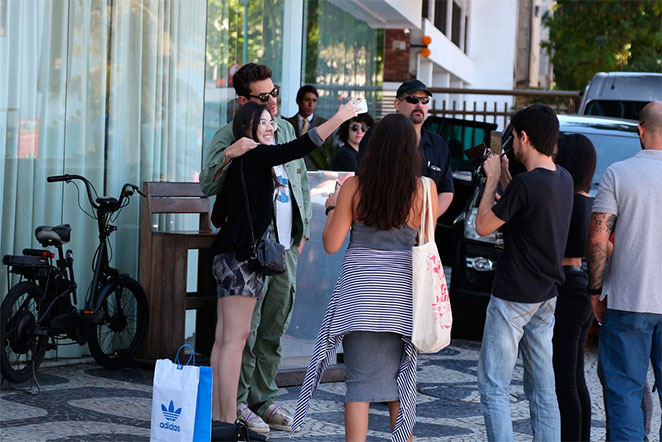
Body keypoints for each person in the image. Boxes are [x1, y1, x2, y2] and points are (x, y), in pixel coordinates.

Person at [207, 100, 358, 432]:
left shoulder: (240, 162)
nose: (270, 127)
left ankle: (221, 415)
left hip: (227, 258)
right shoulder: (257, 157)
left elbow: (218, 215)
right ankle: (226, 416)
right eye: (262, 123)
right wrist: (341, 117)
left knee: (225, 339)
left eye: (271, 123)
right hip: (242, 260)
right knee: (235, 339)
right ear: (246, 128)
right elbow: (304, 144)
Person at [291, 114, 437, 442]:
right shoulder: (425, 190)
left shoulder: (354, 187)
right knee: (403, 382)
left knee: (358, 384)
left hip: (359, 296)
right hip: (403, 297)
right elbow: (426, 246)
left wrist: (331, 208)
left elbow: (331, 245)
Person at [200, 63, 311, 435]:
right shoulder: (230, 135)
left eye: (275, 92)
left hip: (284, 247)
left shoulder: (286, 130)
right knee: (244, 330)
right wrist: (231, 153)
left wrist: (303, 232)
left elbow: (301, 182)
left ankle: (264, 396)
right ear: (243, 101)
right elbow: (209, 187)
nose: (274, 101)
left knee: (274, 326)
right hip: (250, 249)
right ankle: (240, 402)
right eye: (264, 97)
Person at [474, 103, 573, 441]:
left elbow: (484, 225)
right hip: (546, 298)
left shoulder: (525, 185)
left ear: (524, 137)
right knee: (543, 390)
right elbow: (529, 202)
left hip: (513, 297)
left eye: (514, 137)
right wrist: (504, 175)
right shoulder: (563, 178)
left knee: (493, 386)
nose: (512, 144)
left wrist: (491, 181)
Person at [587, 101, 662, 441]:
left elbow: (598, 236)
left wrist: (594, 289)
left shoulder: (618, 173)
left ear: (640, 130)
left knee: (624, 394)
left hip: (628, 299)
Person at [550, 134, 596, 442]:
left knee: (564, 381)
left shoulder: (566, 201)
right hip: (584, 287)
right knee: (577, 378)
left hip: (567, 288)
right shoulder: (592, 203)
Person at [357, 79, 453, 218]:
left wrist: (427, 220)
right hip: (381, 222)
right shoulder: (378, 134)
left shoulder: (438, 144)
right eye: (413, 99)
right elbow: (364, 178)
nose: (419, 104)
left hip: (422, 232)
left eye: (425, 100)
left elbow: (447, 190)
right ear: (397, 103)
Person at [286, 85, 330, 170]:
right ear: (298, 101)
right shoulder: (288, 124)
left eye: (314, 101)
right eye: (307, 100)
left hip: (316, 173)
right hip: (291, 171)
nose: (311, 104)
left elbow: (330, 150)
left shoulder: (323, 124)